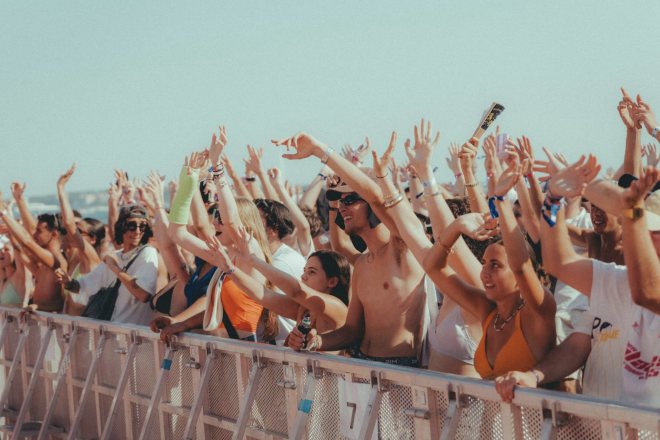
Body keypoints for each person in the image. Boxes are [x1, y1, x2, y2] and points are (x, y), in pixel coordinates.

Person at [274, 131, 430, 368]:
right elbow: (352, 330)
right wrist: (315, 342)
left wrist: (320, 150)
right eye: (340, 202)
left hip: (399, 370)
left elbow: (376, 197)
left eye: (349, 200)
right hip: (360, 365)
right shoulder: (362, 264)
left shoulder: (402, 248)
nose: (341, 208)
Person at [422, 149, 556, 379]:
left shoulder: (538, 311)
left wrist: (501, 201)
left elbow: (520, 266)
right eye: (484, 264)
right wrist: (456, 226)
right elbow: (433, 267)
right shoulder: (487, 311)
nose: (484, 272)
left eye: (495, 265)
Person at [206, 229, 349, 350]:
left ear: (332, 281)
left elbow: (296, 291)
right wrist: (230, 269)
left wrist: (253, 260)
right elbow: (263, 295)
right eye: (304, 270)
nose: (303, 276)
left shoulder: (337, 307)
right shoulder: (303, 309)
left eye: (312, 272)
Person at [58, 204, 158, 325]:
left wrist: (115, 268)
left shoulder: (147, 253)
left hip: (134, 334)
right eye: (132, 225)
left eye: (142, 226)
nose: (137, 231)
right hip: (112, 331)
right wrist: (67, 282)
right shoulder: (115, 256)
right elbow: (84, 287)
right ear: (122, 227)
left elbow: (143, 295)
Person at [0, 189, 68, 313]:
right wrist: (19, 199)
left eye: (39, 231)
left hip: (51, 322)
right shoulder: (44, 264)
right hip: (42, 320)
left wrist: (2, 211)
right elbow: (23, 252)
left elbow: (27, 242)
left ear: (53, 235)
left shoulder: (55, 261)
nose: (34, 235)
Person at [56, 163, 105, 316]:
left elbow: (69, 224)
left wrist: (61, 187)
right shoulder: (77, 262)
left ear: (92, 239)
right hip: (70, 325)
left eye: (79, 231)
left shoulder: (92, 261)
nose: (73, 234)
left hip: (84, 328)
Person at [0, 236, 29, 305]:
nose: (1, 252)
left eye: (6, 250)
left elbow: (19, 248)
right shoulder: (2, 276)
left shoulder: (20, 275)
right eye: (0, 249)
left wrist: (11, 235)